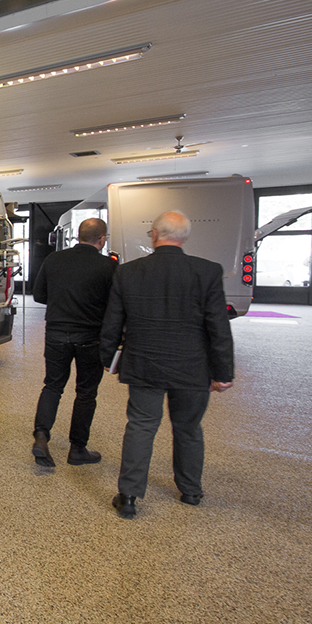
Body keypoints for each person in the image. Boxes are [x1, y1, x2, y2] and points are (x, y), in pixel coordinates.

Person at [100, 211, 234, 518]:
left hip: (144, 363)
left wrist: (109, 358)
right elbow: (218, 327)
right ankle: (190, 491)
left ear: (154, 235)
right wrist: (223, 372)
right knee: (188, 428)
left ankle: (129, 496)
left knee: (141, 426)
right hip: (193, 366)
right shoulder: (208, 271)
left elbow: (113, 321)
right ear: (184, 237)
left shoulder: (128, 272)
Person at [30, 217, 117, 467]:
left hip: (56, 333)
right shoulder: (108, 266)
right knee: (86, 393)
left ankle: (41, 436)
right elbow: (114, 304)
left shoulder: (54, 259)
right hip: (91, 337)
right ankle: (78, 449)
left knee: (52, 386)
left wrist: (61, 301)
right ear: (102, 239)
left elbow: (39, 295)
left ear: (78, 235)